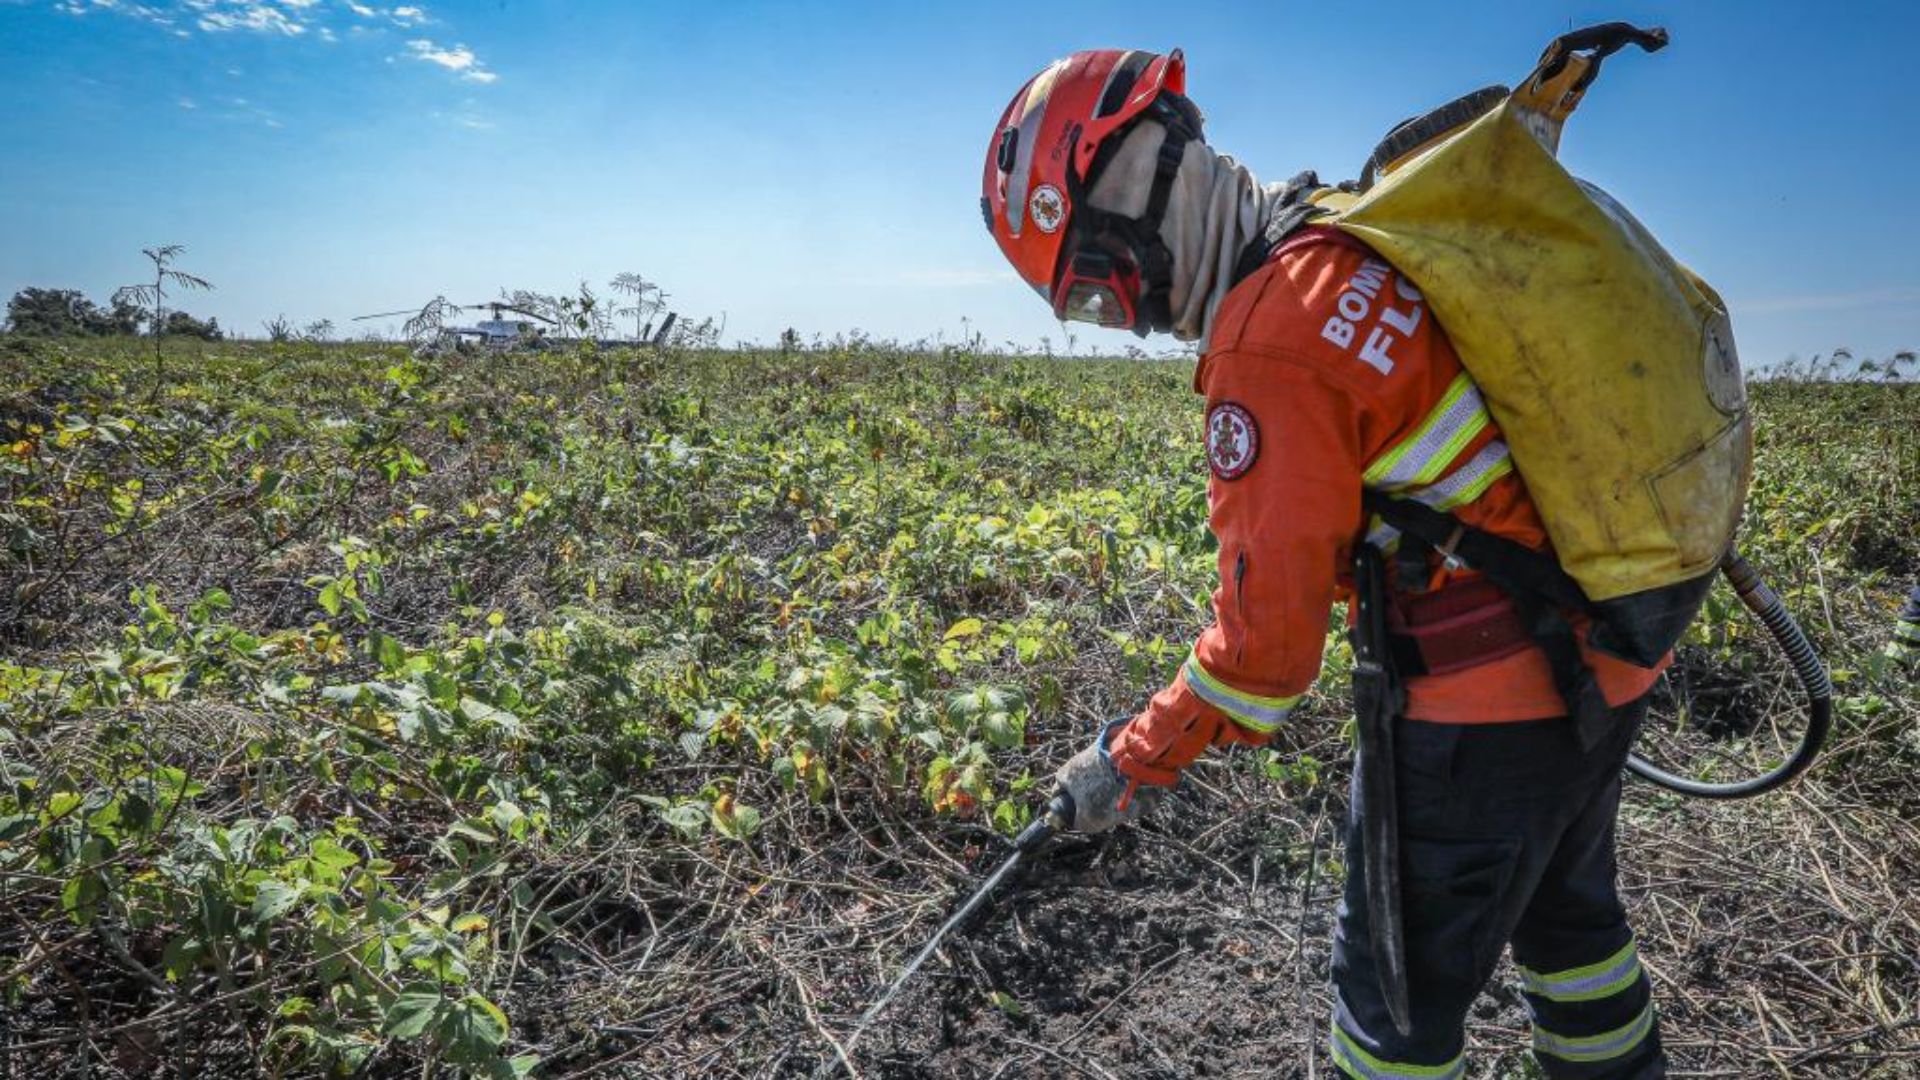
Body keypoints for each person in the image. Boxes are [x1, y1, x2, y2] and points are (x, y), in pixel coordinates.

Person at [981, 49, 1668, 1078]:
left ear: (1149, 177)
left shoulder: (1271, 342)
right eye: (1091, 308)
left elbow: (1262, 666)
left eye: (1099, 283)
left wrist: (1126, 757)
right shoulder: (1341, 245)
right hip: (1602, 664)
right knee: (1572, 935)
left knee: (1386, 1012)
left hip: (1478, 719)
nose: (1129, 318)